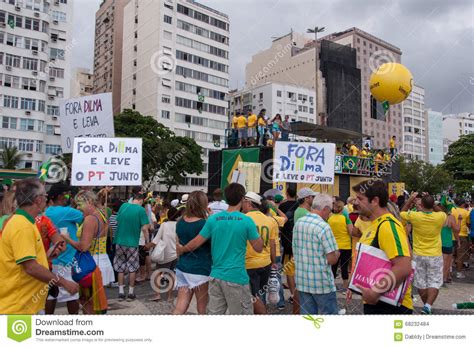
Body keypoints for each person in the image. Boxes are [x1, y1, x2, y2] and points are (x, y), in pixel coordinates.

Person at [178, 183, 263, 315]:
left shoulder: (213, 219)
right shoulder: (247, 221)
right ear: (242, 199)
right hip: (236, 277)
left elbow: (195, 243)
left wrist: (182, 249)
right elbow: (258, 248)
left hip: (215, 276)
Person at [0, 178, 78, 314]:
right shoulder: (22, 226)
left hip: (25, 304)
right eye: (45, 196)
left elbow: (24, 260)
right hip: (18, 308)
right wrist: (64, 283)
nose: (46, 199)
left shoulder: (26, 222)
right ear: (38, 200)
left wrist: (47, 255)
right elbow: (31, 268)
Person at [352, 180, 413, 314]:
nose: (355, 203)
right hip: (379, 302)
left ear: (374, 201)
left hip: (390, 306)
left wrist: (375, 292)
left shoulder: (388, 226)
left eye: (360, 199)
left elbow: (403, 267)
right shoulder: (374, 224)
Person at [293, 194, 340, 314]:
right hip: (321, 283)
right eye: (330, 210)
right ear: (325, 209)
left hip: (302, 281)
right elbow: (332, 259)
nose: (330, 213)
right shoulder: (324, 227)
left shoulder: (299, 223)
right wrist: (337, 254)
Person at [62, 191, 108, 314]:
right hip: (101, 260)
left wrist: (67, 239)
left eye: (79, 204)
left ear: (89, 202)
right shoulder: (102, 215)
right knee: (93, 305)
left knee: (89, 306)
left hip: (91, 265)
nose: (78, 208)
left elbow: (83, 247)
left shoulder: (90, 219)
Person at [400, 193, 446, 314]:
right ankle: (428, 305)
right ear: (433, 204)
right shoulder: (440, 217)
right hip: (435, 254)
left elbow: (401, 213)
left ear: (422, 204)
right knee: (434, 281)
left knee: (420, 282)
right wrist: (432, 201)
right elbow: (441, 211)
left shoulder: (415, 216)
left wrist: (410, 200)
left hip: (418, 254)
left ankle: (427, 305)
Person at [45, 183, 83, 315]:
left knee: (51, 293)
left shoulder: (47, 211)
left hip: (52, 258)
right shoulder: (67, 211)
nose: (68, 197)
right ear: (61, 196)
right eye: (67, 194)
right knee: (72, 293)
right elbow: (82, 216)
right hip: (68, 257)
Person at [173, 191, 211, 314]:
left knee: (180, 306)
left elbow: (178, 245)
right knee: (202, 308)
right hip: (200, 269)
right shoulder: (205, 224)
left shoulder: (180, 222)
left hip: (183, 267)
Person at [242, 192, 277, 314]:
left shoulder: (244, 219)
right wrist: (273, 262)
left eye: (244, 202)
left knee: (252, 297)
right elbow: (273, 245)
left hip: (249, 264)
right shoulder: (270, 220)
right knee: (260, 295)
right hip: (265, 263)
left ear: (249, 203)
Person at [114, 193, 151, 301]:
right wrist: (147, 241)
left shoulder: (123, 206)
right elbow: (145, 229)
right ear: (140, 200)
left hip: (119, 241)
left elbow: (117, 220)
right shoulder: (141, 210)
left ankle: (121, 293)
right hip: (132, 243)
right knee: (132, 268)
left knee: (120, 268)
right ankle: (130, 293)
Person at [146, 207, 180, 302]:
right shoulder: (179, 225)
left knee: (158, 273)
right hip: (175, 255)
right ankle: (170, 296)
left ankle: (157, 294)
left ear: (168, 215)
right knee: (171, 275)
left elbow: (156, 240)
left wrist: (147, 246)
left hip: (165, 255)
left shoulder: (164, 225)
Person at [278, 186, 299, 310]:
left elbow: (279, 222)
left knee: (290, 270)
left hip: (287, 241)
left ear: (287, 193)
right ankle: (298, 293)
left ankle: (293, 294)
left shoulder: (282, 206)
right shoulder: (299, 206)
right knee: (296, 268)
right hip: (298, 240)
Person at [328, 200, 352, 291]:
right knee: (344, 267)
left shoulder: (330, 218)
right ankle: (345, 287)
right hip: (346, 246)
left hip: (334, 246)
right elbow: (351, 232)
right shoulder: (346, 218)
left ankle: (332, 286)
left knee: (333, 266)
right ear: (342, 208)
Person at [439, 205, 459, 284]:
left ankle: (441, 278)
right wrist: (460, 220)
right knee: (447, 262)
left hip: (438, 242)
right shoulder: (450, 218)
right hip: (447, 243)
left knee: (440, 262)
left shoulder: (437, 217)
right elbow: (456, 230)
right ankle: (444, 278)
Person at [451, 199, 470, 278]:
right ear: (463, 204)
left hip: (452, 235)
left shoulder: (452, 209)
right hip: (462, 235)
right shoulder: (466, 212)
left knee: (450, 254)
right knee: (460, 255)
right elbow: (468, 223)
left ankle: (448, 272)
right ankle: (459, 273)